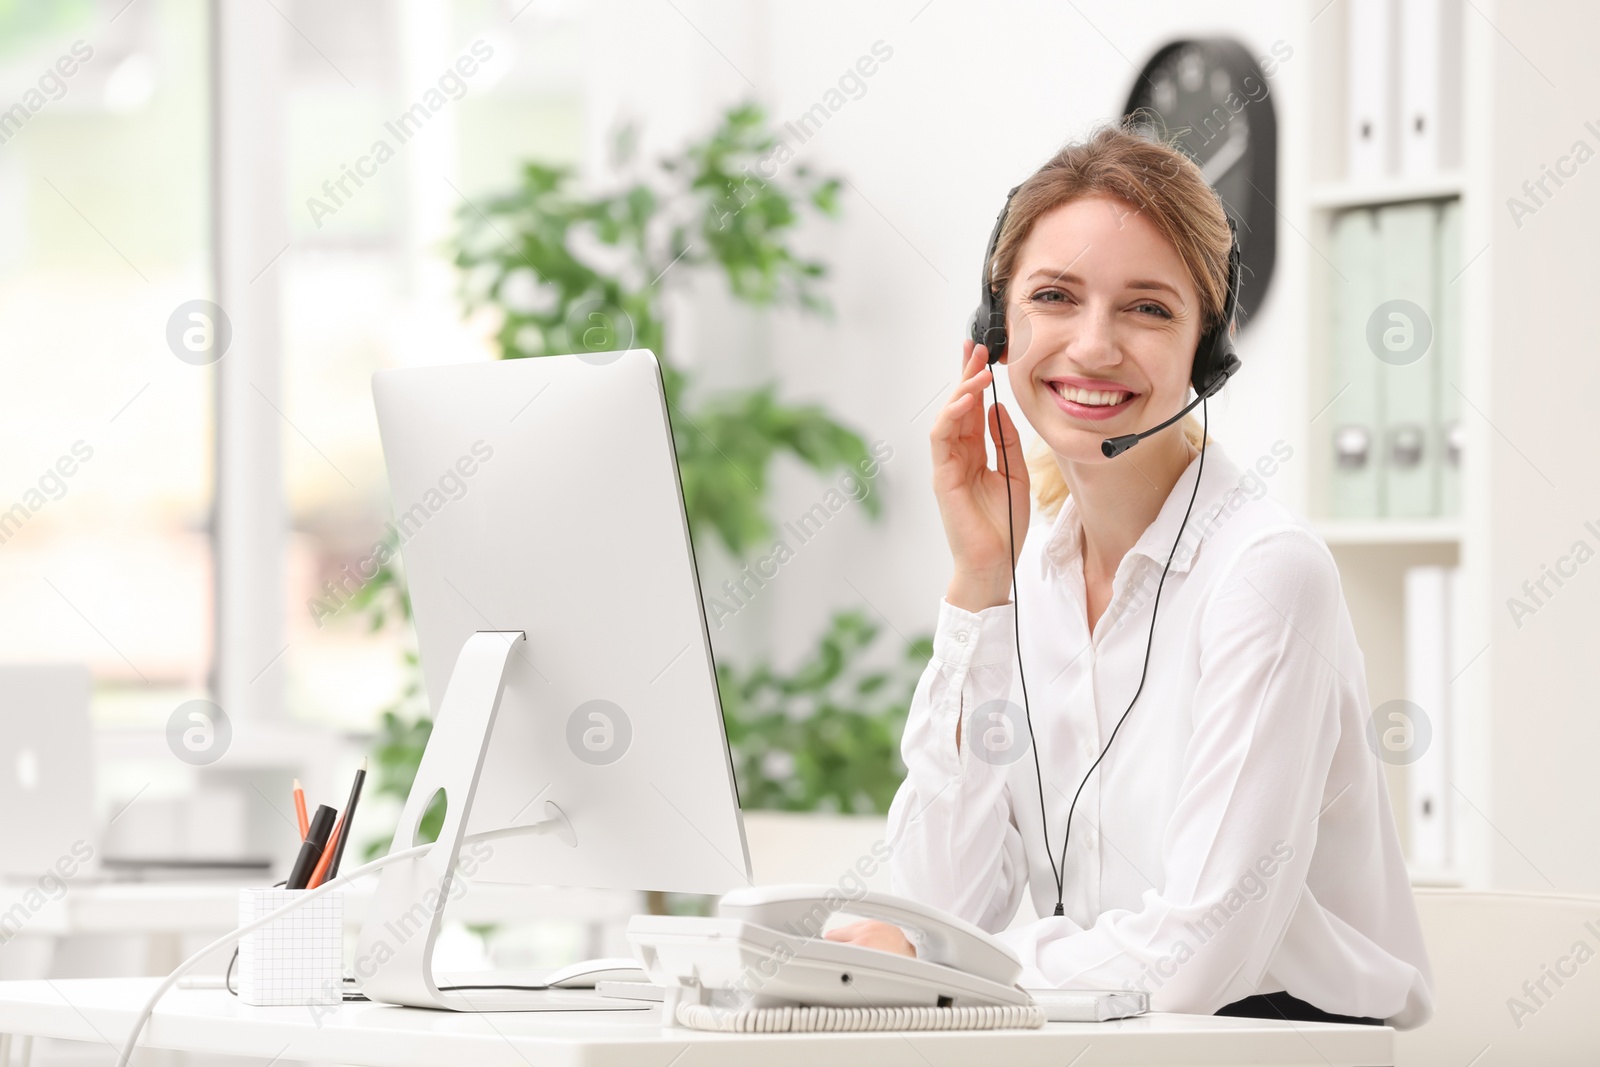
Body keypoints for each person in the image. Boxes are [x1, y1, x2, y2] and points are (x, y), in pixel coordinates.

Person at [824, 124, 1433, 1028]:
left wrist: (957, 963)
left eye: (1147, 308)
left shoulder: (1266, 575)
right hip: (1107, 1035)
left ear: (1207, 350)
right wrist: (980, 584)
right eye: (1055, 297)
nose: (1094, 346)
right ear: (996, 331)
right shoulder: (1032, 577)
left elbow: (1196, 955)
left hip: (1275, 1044)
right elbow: (938, 896)